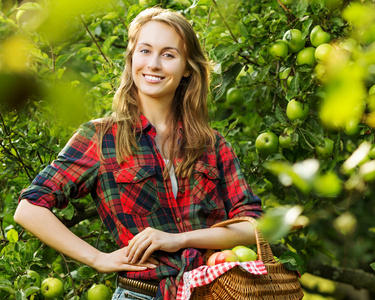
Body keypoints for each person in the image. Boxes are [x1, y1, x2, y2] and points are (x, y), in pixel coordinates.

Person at [14, 7, 262, 300]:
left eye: (168, 54)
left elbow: (253, 226)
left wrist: (177, 239)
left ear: (186, 68)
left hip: (216, 292)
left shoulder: (211, 144)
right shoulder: (101, 138)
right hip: (142, 293)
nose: (154, 64)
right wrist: (98, 258)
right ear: (132, 58)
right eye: (145, 51)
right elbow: (29, 208)